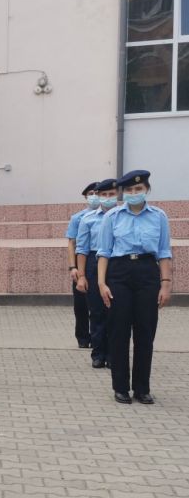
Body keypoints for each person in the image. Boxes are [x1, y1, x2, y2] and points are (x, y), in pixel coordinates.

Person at [97, 170, 174, 404]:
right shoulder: (113, 216)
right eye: (129, 190)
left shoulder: (159, 216)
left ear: (146, 190)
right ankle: (120, 387)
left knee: (145, 332)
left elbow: (164, 253)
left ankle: (142, 388)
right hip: (119, 274)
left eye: (138, 190)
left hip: (148, 274)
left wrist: (166, 284)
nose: (133, 194)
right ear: (123, 193)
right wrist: (101, 282)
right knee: (119, 331)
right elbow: (104, 252)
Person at [75, 179, 117, 369]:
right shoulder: (88, 219)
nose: (107, 198)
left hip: (116, 263)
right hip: (93, 263)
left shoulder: (122, 216)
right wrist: (82, 276)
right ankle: (98, 353)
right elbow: (81, 249)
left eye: (111, 194)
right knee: (97, 311)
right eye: (104, 195)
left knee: (116, 312)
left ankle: (113, 353)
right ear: (98, 196)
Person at [66, 183, 100, 348]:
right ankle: (82, 337)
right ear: (86, 197)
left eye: (97, 193)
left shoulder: (110, 215)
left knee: (98, 305)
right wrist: (73, 267)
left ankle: (97, 337)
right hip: (82, 263)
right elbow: (72, 243)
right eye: (91, 193)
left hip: (100, 262)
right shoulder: (78, 218)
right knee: (81, 305)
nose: (94, 196)